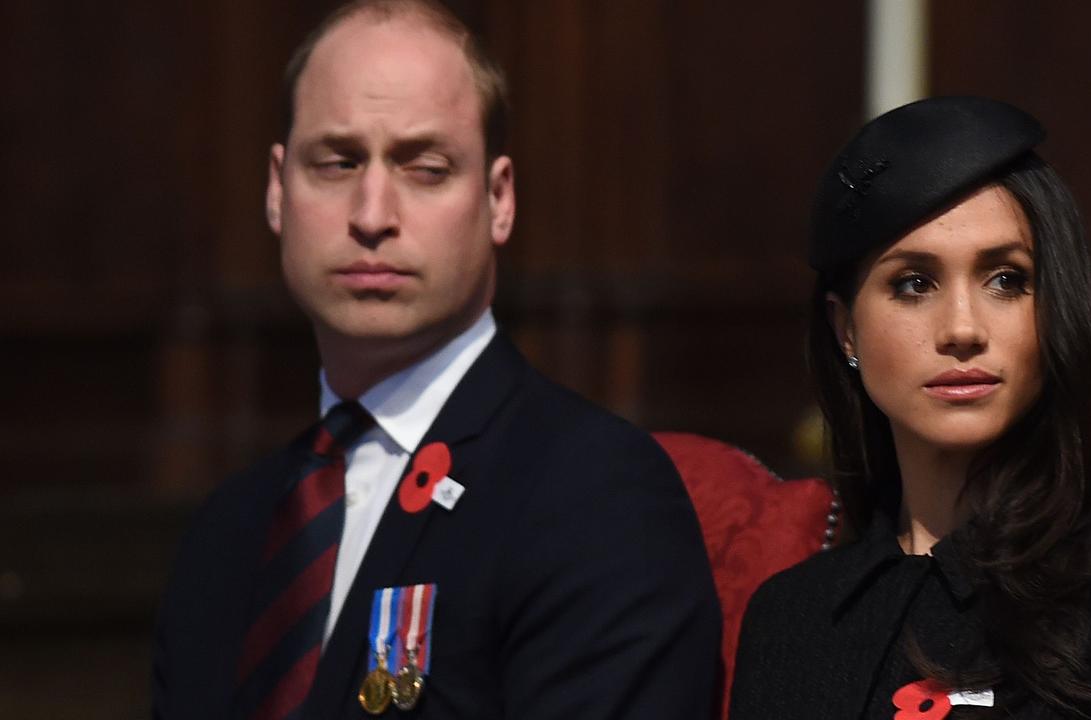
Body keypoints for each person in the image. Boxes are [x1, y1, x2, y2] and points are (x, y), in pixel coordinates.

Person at [151, 2, 720, 718]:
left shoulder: (592, 493)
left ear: (498, 199)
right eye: (336, 163)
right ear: (277, 189)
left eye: (425, 168)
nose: (372, 213)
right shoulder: (226, 530)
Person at [728, 97, 1091, 719]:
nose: (963, 329)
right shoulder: (789, 618)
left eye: (1006, 279)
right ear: (847, 332)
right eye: (914, 283)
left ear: (1054, 310)